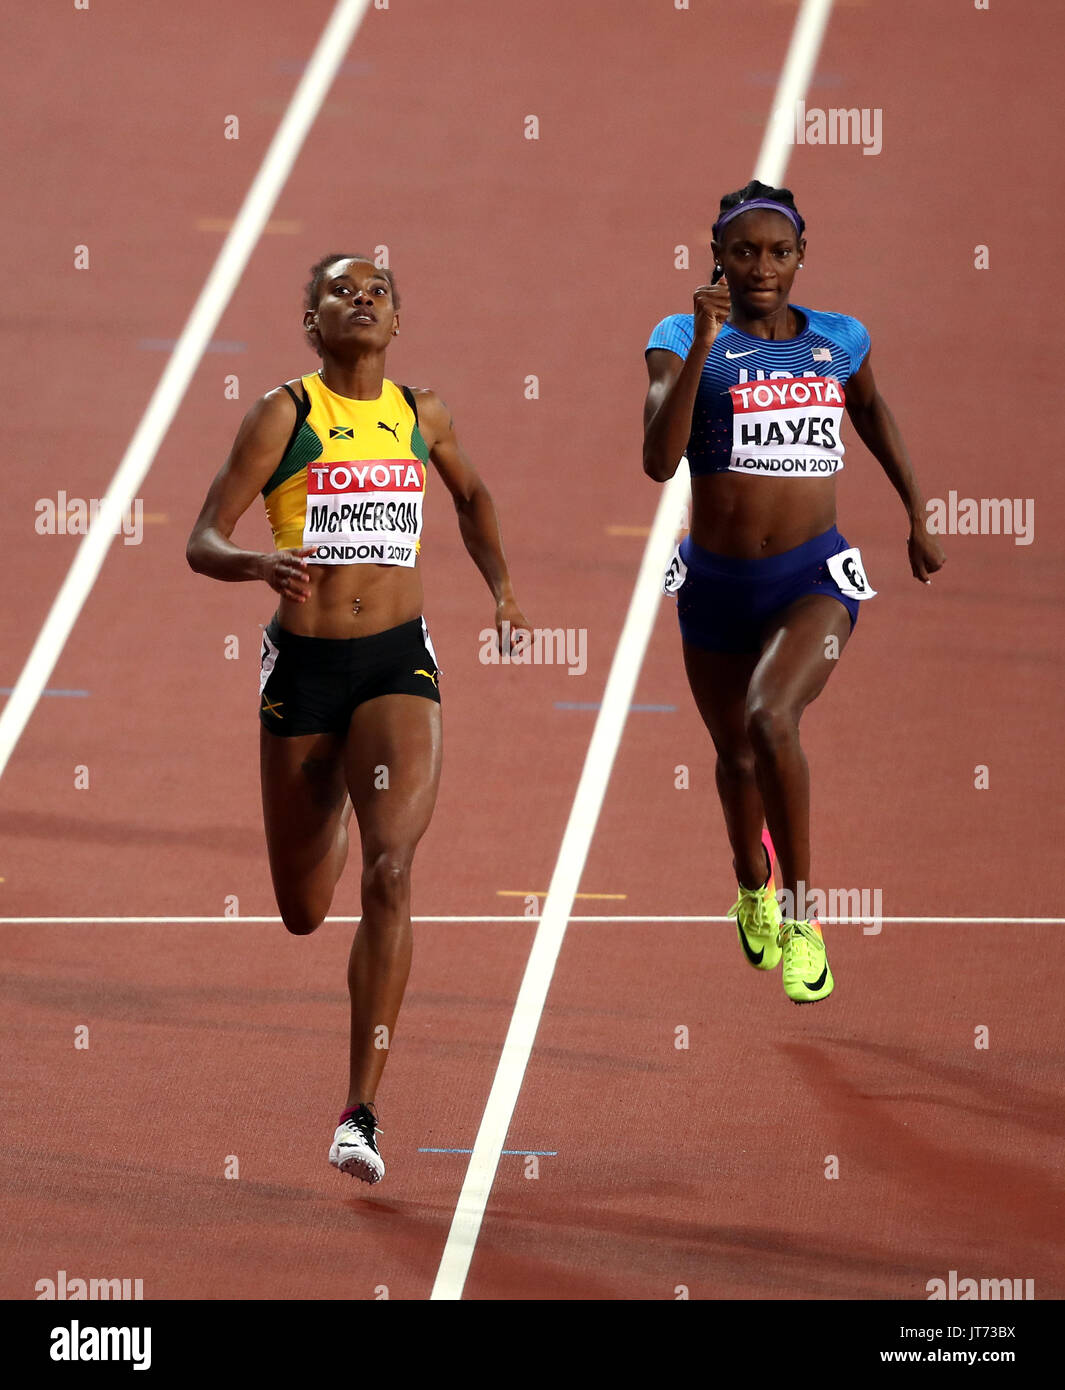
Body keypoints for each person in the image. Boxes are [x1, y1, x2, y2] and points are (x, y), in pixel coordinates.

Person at [187, 253, 529, 1179]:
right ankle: (335, 790)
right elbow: (201, 538)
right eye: (341, 290)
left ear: (398, 320)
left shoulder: (423, 414)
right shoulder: (284, 415)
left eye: (378, 288)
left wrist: (499, 590)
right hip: (302, 670)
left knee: (391, 868)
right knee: (302, 910)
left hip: (394, 662)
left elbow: (474, 495)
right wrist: (256, 565)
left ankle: (359, 1112)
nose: (363, 298)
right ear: (313, 321)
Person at [643, 181, 944, 1004]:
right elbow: (657, 459)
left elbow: (874, 414)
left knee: (770, 720)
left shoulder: (839, 340)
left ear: (802, 256)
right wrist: (704, 340)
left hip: (811, 578)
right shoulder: (677, 336)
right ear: (718, 259)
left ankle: (803, 912)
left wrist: (916, 513)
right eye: (745, 252)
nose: (762, 267)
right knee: (734, 756)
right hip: (713, 582)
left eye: (779, 252)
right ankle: (749, 879)